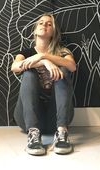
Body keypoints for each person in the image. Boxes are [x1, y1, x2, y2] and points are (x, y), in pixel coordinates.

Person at [11, 13, 77, 156]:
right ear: (35, 30)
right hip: (27, 118)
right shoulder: (25, 52)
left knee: (64, 71)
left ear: (53, 32)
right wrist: (43, 62)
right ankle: (33, 135)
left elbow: (72, 66)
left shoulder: (62, 51)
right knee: (28, 73)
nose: (44, 25)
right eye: (41, 23)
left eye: (49, 24)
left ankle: (62, 133)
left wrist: (44, 55)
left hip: (56, 117)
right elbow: (15, 67)